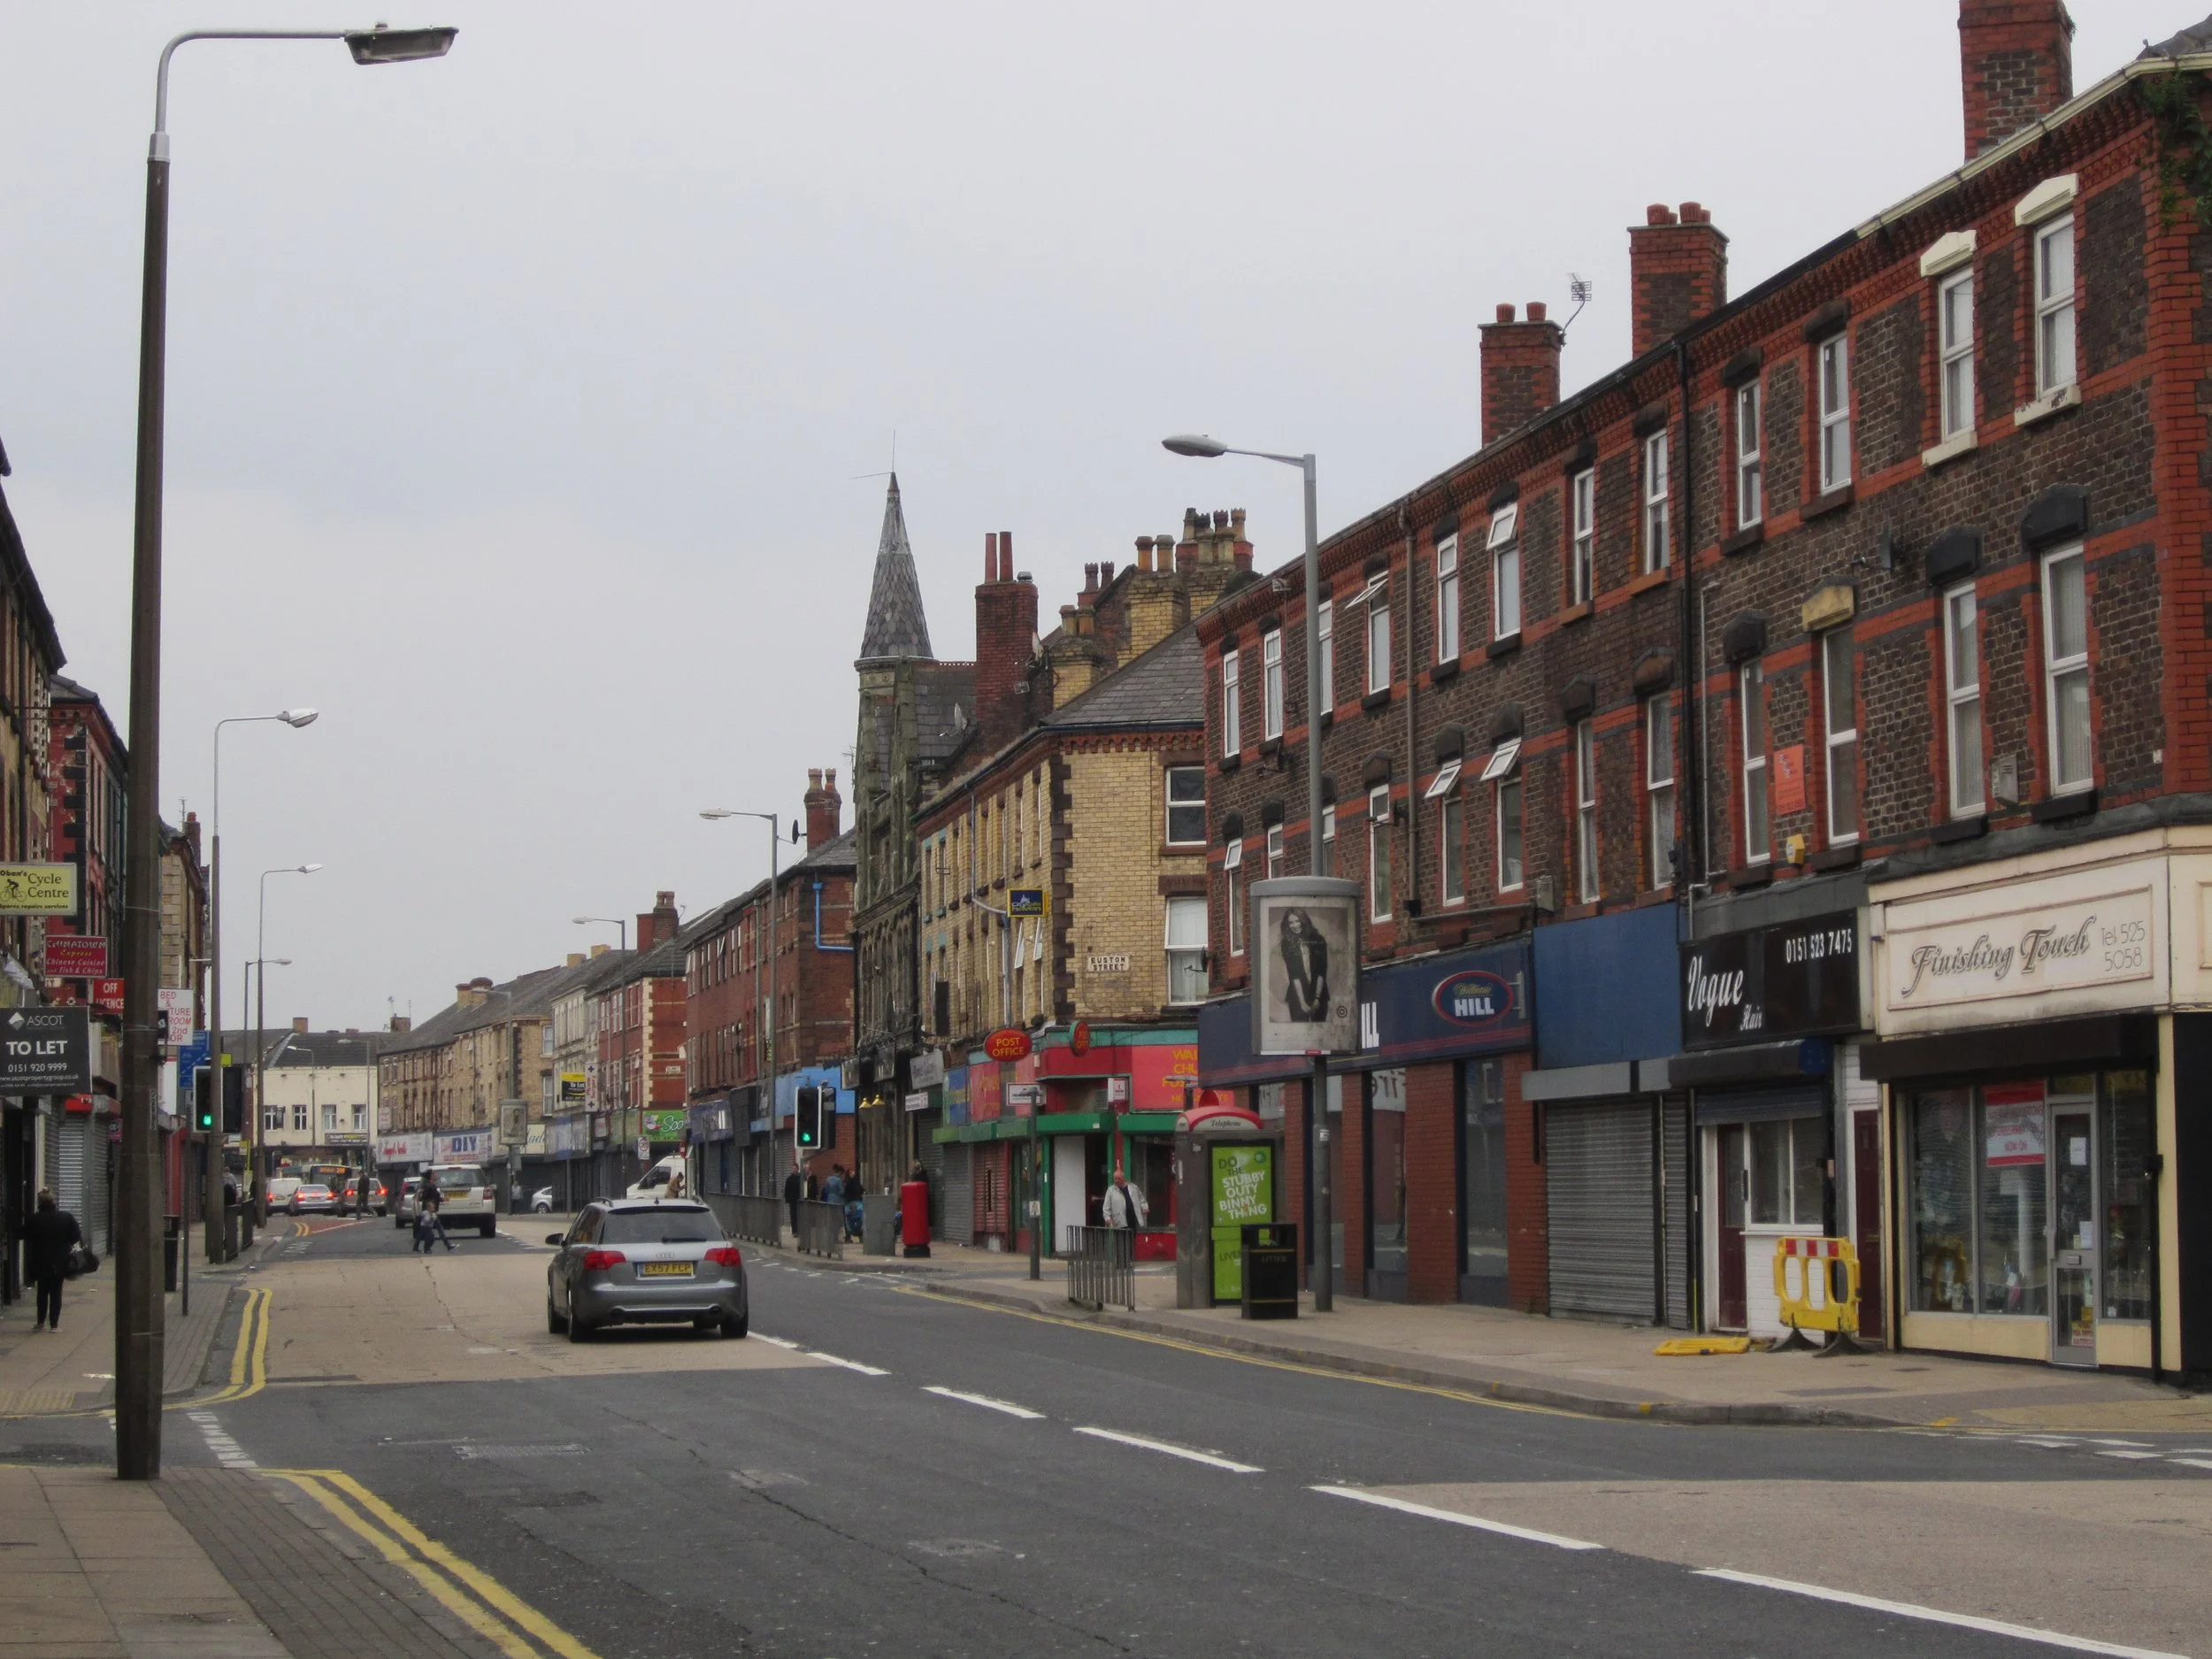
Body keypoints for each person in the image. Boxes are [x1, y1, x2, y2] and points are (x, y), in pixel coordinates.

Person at [22, 1190, 81, 1333]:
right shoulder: (66, 1217)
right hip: (60, 1260)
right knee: (56, 1292)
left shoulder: (34, 1219)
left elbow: (25, 1235)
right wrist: (65, 1244)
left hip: (40, 1260)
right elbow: (76, 1236)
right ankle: (54, 1325)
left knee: (42, 1291)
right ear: (54, 1202)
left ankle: (40, 1322)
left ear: (40, 1203)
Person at [1279, 907, 1330, 1024]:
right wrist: (1302, 1003)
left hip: (1319, 992)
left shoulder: (1319, 940)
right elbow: (1294, 975)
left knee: (1320, 1035)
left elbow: (1322, 970)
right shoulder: (1286, 944)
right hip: (1297, 996)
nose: (1295, 925)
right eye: (1291, 923)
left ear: (1304, 921)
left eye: (1297, 921)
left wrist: (1317, 998)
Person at [1102, 1162, 1148, 1232]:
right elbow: (1106, 1207)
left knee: (1132, 1240)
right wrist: (1108, 1219)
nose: (1117, 1180)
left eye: (1119, 1178)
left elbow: (1142, 1200)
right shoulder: (1111, 1191)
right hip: (1119, 1223)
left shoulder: (1133, 1188)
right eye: (1115, 1179)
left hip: (1133, 1221)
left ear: (1123, 1178)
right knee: (1120, 1241)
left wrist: (1145, 1208)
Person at [416, 1173, 454, 1254]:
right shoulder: (430, 1188)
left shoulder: (429, 1187)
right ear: (430, 1179)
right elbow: (436, 1196)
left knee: (425, 1232)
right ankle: (446, 1246)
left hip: (431, 1212)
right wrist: (443, 1199)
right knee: (432, 1232)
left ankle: (447, 1246)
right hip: (430, 1213)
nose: (436, 1176)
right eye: (433, 1175)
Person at [783, 1164, 803, 1234]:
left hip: (799, 1200)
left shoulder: (800, 1178)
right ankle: (794, 1231)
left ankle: (799, 1231)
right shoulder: (789, 1179)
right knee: (793, 1216)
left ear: (798, 1169)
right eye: (793, 1168)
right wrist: (787, 1199)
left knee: (799, 1216)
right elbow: (786, 1189)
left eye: (795, 1168)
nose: (794, 1170)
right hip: (792, 1200)